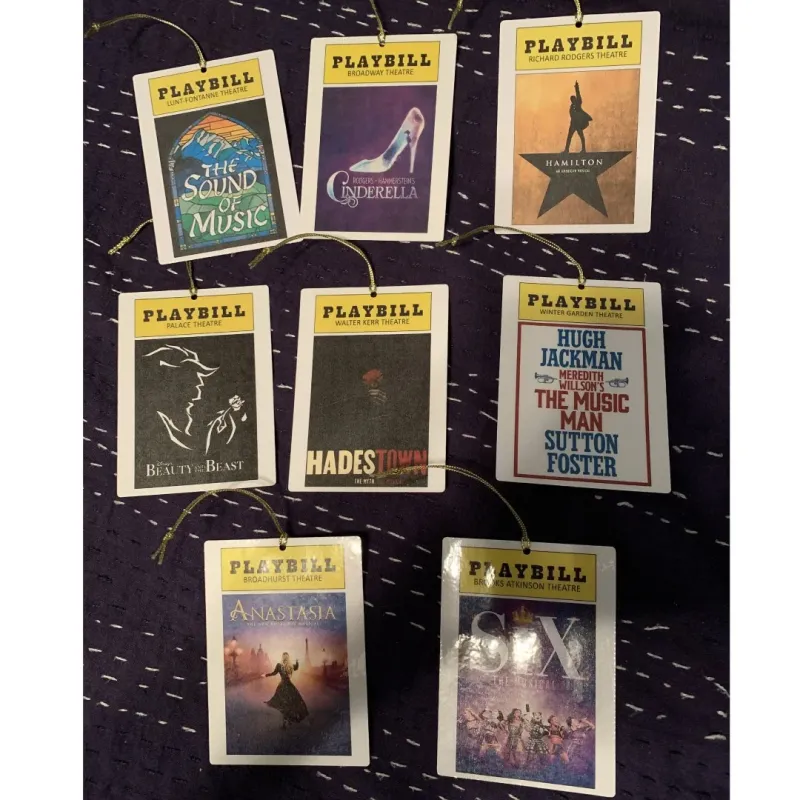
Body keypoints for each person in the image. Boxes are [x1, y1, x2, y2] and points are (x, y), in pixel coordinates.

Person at [263, 652, 309, 728]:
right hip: (287, 686)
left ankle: (286, 722)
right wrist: (297, 661)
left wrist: (266, 675)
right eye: (284, 657)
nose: (285, 658)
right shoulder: (286, 665)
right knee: (287, 704)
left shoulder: (282, 665)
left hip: (284, 686)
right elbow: (296, 667)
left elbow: (275, 673)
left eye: (285, 657)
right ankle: (287, 721)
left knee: (286, 704)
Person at [563, 81, 593, 154]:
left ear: (575, 99)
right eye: (571, 100)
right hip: (573, 124)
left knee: (581, 136)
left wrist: (576, 88)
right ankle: (566, 150)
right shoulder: (571, 106)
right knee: (569, 137)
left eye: (573, 99)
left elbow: (578, 94)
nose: (572, 100)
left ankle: (583, 149)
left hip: (578, 124)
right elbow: (572, 115)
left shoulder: (578, 103)